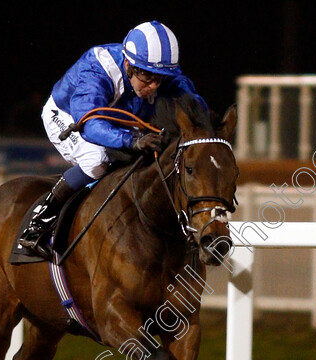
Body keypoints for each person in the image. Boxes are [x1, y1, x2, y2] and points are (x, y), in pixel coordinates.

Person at [18, 20, 207, 259]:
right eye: (148, 76)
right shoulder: (97, 68)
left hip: (113, 121)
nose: (153, 85)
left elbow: (192, 103)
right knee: (97, 159)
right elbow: (90, 125)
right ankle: (38, 223)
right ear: (128, 64)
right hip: (70, 117)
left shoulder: (155, 72)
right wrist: (132, 141)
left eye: (160, 78)